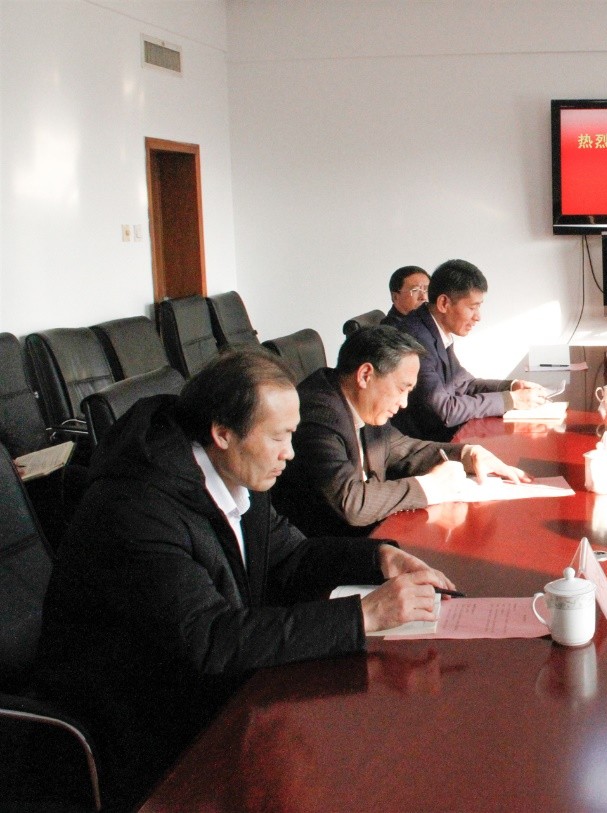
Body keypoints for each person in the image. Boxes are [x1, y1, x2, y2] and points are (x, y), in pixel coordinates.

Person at [35, 349, 457, 809]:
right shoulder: (138, 509)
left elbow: (290, 555)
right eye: (278, 437)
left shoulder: (236, 469)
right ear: (222, 433)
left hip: (216, 688)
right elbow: (210, 638)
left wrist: (378, 559)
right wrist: (364, 615)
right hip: (142, 724)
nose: (290, 453)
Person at [273, 325, 528, 537]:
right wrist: (430, 486)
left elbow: (402, 448)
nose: (404, 403)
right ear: (365, 375)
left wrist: (466, 454)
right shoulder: (318, 414)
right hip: (326, 551)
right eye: (402, 389)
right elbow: (352, 503)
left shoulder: (360, 400)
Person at [392, 258, 549, 441]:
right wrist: (511, 400)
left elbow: (464, 384)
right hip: (425, 443)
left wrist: (512, 386)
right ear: (444, 303)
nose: (478, 317)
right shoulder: (416, 338)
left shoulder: (433, 328)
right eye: (472, 307)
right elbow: (445, 410)